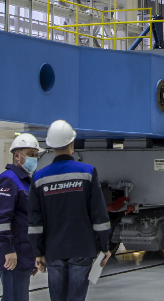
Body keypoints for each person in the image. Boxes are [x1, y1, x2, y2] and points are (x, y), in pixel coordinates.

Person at [29, 120, 112, 301]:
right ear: (72, 143)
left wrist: (38, 252)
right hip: (82, 249)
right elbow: (99, 215)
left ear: (50, 146)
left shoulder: (39, 178)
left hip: (54, 250)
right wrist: (104, 247)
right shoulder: (88, 173)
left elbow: (35, 221)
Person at [0, 133, 41, 301]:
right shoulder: (8, 181)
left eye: (36, 155)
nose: (34, 158)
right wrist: (9, 250)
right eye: (30, 154)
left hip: (24, 254)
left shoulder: (26, 182)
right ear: (17, 156)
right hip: (13, 255)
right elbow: (0, 220)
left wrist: (34, 255)